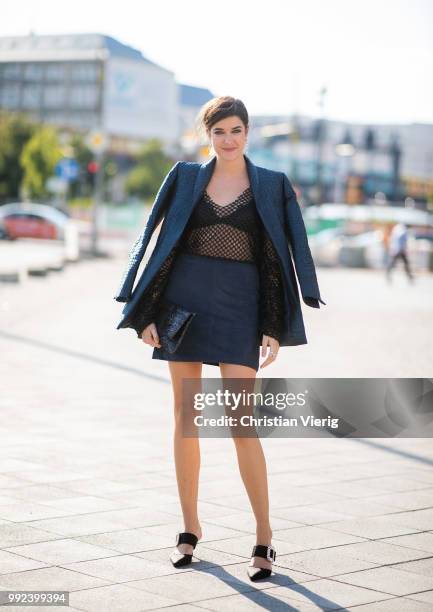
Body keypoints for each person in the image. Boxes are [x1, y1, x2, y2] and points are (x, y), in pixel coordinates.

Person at [114, 96, 325, 581]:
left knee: (239, 423)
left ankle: (265, 537)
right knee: (185, 419)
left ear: (248, 132)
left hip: (239, 308)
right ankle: (189, 530)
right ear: (206, 134)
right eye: (218, 131)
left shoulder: (271, 184)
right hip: (182, 304)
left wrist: (274, 325)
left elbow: (288, 253)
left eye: (235, 130)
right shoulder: (185, 177)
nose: (227, 139)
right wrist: (146, 312)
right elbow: (158, 240)